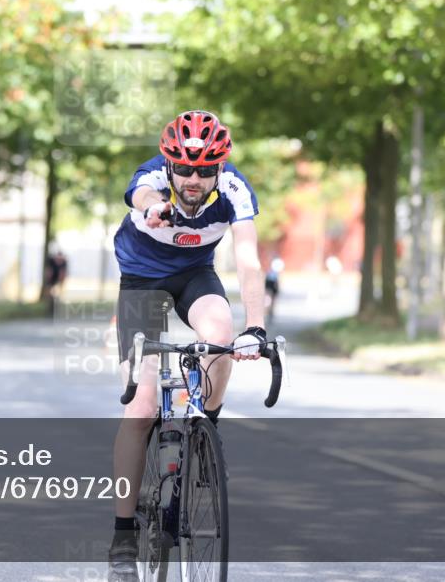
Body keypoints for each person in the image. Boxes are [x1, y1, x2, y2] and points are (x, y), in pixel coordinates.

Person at [108, 110, 267, 581]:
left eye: (205, 170)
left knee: (220, 334)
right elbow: (142, 194)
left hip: (195, 275)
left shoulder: (234, 189)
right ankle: (122, 536)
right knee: (141, 409)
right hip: (142, 280)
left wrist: (256, 327)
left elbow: (247, 258)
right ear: (170, 165)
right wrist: (153, 208)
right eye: (184, 169)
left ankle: (205, 428)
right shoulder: (153, 180)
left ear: (220, 168)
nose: (194, 180)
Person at [44, 246, 69, 315]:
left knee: (58, 293)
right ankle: (50, 306)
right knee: (50, 293)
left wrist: (61, 283)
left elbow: (63, 274)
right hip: (51, 279)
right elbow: (49, 271)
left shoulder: (64, 263)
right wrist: (49, 281)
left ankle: (57, 306)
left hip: (58, 280)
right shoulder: (51, 261)